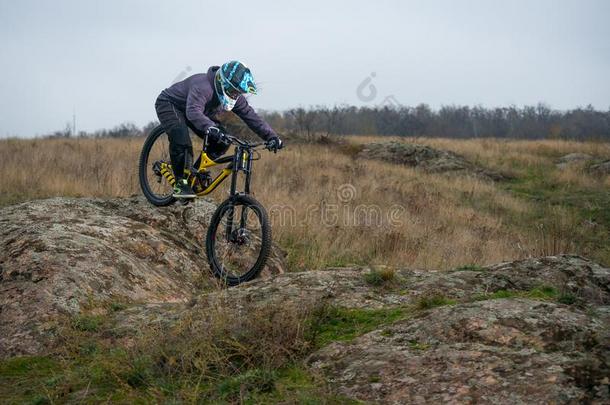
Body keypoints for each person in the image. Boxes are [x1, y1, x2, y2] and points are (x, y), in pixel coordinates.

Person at [155, 61, 283, 198]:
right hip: (171, 105)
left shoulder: (235, 97)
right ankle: (181, 183)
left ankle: (194, 173)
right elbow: (193, 112)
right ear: (223, 82)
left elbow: (251, 116)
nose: (235, 95)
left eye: (238, 92)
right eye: (233, 91)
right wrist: (211, 127)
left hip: (198, 111)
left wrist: (272, 137)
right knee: (182, 140)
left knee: (223, 140)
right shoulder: (203, 87)